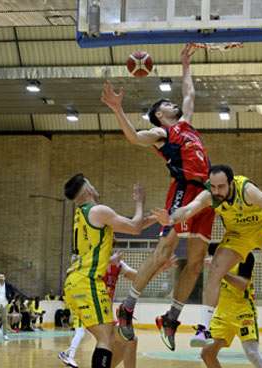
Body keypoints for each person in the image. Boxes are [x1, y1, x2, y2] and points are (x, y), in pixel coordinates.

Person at [102, 43, 214, 351]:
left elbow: (189, 94)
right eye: (167, 103)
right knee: (164, 252)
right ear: (158, 114)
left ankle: (171, 317)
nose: (174, 103)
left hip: (205, 197)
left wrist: (186, 65)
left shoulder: (187, 125)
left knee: (194, 264)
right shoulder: (163, 134)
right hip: (182, 191)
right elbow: (135, 138)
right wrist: (117, 109)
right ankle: (127, 307)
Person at [157, 164, 262, 348]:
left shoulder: (247, 190)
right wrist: (171, 218)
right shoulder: (209, 195)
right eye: (213, 186)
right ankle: (204, 330)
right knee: (214, 271)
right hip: (238, 235)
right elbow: (188, 209)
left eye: (221, 186)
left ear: (231, 183)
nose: (216, 191)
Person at [62, 173, 147, 368]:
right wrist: (140, 203)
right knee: (106, 339)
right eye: (92, 181)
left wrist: (159, 219)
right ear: (87, 187)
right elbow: (135, 227)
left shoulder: (83, 214)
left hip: (76, 282)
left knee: (111, 338)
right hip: (88, 281)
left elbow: (127, 225)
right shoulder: (98, 209)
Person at [61, 250, 175, 368]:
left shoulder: (118, 265)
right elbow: (74, 273)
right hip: (86, 306)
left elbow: (138, 278)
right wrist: (108, 261)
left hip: (101, 311)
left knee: (125, 342)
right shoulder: (91, 261)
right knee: (120, 341)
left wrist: (158, 269)